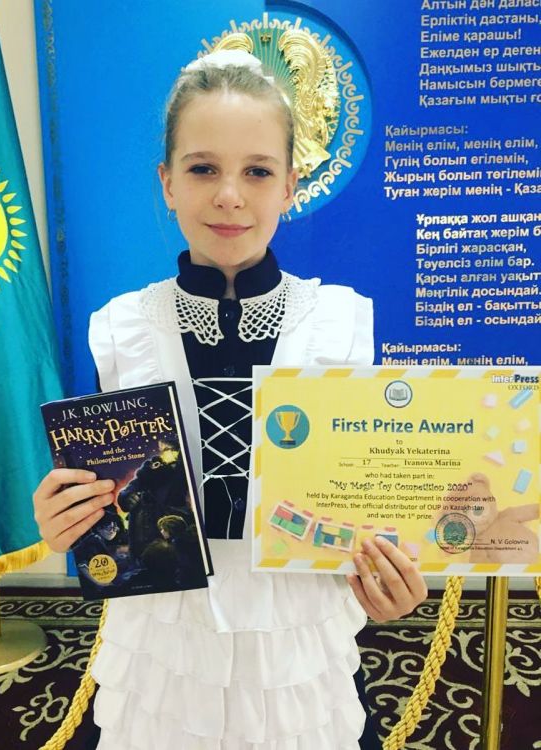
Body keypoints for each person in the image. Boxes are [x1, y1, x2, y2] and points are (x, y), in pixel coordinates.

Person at [33, 49, 428, 750]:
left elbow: (370, 502)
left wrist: (390, 574)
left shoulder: (342, 322)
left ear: (291, 185)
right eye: (202, 168)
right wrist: (67, 520)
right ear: (167, 182)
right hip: (164, 645)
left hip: (297, 643)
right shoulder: (120, 329)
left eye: (258, 171)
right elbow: (108, 502)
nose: (229, 196)